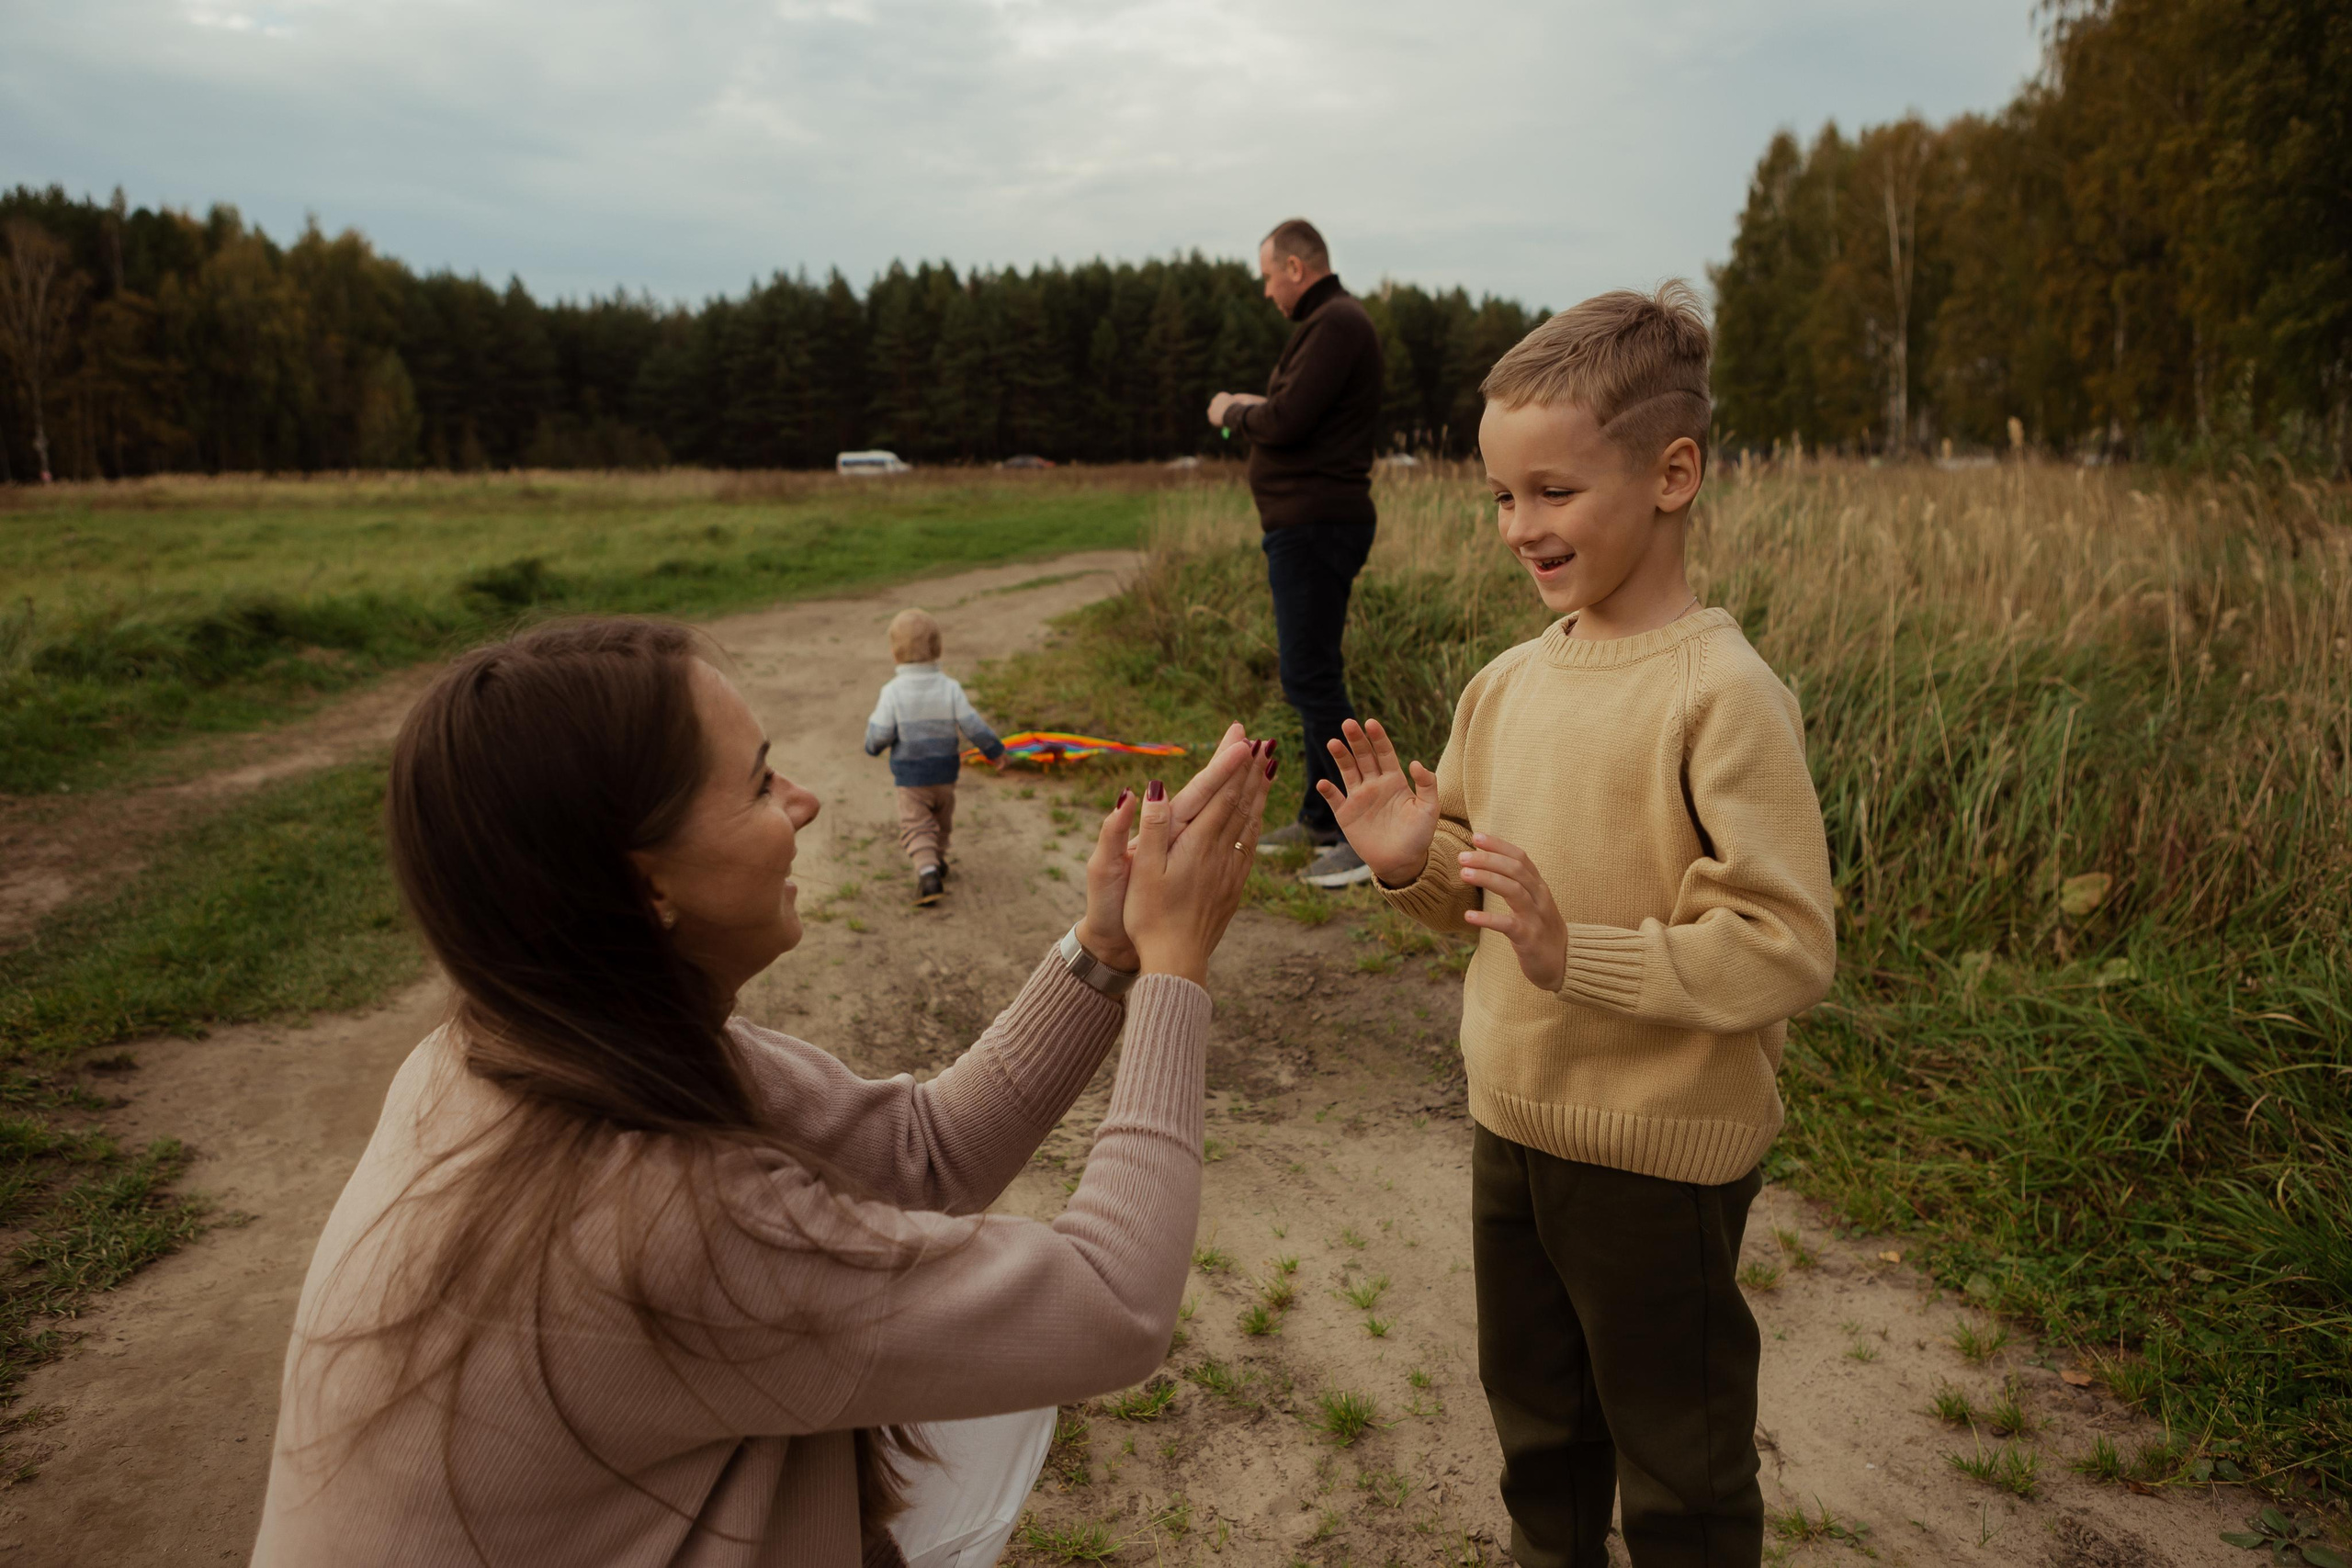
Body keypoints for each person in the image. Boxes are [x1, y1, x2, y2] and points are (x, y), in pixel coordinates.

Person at [250, 615, 1282, 1568]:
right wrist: (1175, 968)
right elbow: (1109, 1306)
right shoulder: (660, 1219)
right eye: (757, 785)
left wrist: (1106, 950)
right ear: (645, 884)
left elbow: (923, 1153)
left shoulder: (512, 1043)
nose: (806, 801)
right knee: (992, 1368)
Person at [1315, 285, 1836, 1568]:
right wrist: (1407, 864)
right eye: (1501, 495)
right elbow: (1473, 892)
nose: (1518, 527)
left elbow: (1785, 943)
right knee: (1538, 1429)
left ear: (1672, 473)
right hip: (1515, 1115)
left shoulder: (1725, 693)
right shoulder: (1506, 684)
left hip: (1661, 1150)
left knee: (1680, 1458)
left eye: (1552, 491)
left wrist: (1574, 951)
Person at [1205, 217, 1385, 889]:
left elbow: (1284, 422)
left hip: (1314, 525)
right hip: (1309, 523)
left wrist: (1230, 410)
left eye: (1267, 277)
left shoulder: (1335, 323)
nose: (1265, 293)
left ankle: (1361, 834)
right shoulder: (1328, 326)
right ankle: (1319, 816)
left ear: (1295, 269)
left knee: (1311, 678)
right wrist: (1265, 404)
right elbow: (1294, 410)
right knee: (1311, 674)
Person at [864, 607, 1006, 906]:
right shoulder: (950, 688)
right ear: (939, 649)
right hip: (945, 774)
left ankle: (928, 873)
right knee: (942, 820)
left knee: (916, 823)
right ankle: (938, 858)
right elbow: (972, 725)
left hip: (911, 778)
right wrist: (995, 751)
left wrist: (873, 746)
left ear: (894, 654)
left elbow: (879, 734)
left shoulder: (892, 692)